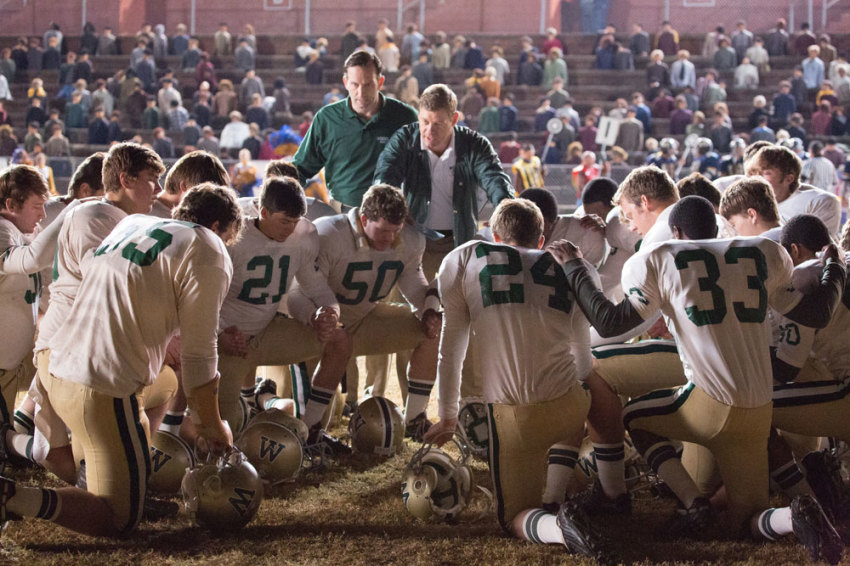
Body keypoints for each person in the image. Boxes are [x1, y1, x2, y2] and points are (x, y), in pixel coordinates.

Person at [548, 195, 845, 560]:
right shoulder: (764, 252)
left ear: (675, 231)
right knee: (746, 521)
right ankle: (792, 516)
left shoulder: (658, 258)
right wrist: (835, 267)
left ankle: (691, 504)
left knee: (636, 416)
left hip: (708, 403)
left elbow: (610, 321)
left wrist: (576, 267)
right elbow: (816, 312)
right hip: (758, 410)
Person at [0, 183, 242, 537]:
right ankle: (14, 496)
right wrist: (212, 423)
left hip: (56, 366)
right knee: (119, 516)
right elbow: (199, 354)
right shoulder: (208, 247)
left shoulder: (135, 224)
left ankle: (119, 464)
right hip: (99, 384)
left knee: (164, 384)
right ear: (218, 227)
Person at [287, 184, 441, 439]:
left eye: (396, 230)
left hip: (363, 317)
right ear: (363, 219)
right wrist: (314, 318)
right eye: (383, 230)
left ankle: (414, 419)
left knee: (431, 332)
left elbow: (415, 286)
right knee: (322, 409)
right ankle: (312, 430)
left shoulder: (410, 240)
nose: (390, 238)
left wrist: (428, 311)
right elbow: (298, 292)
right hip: (315, 322)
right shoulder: (329, 233)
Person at [215, 176, 351, 448]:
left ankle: (311, 430)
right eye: (284, 221)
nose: (291, 229)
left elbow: (315, 287)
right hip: (228, 340)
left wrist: (328, 312)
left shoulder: (303, 234)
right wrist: (218, 334)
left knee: (339, 339)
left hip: (267, 331)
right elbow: (204, 299)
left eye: (296, 221)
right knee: (227, 429)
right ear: (262, 212)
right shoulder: (232, 237)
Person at [374, 83, 513, 277]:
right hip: (413, 238)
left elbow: (494, 178)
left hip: (459, 240)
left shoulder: (475, 144)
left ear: (454, 119)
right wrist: (390, 207)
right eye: (424, 122)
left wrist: (504, 209)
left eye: (438, 123)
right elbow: (386, 175)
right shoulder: (404, 139)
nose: (429, 131)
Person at [293, 51, 417, 212]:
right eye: (355, 85)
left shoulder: (405, 117)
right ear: (345, 82)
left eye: (367, 85)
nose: (361, 93)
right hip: (341, 214)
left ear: (380, 82)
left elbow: (421, 170)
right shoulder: (327, 119)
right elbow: (301, 168)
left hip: (391, 217)